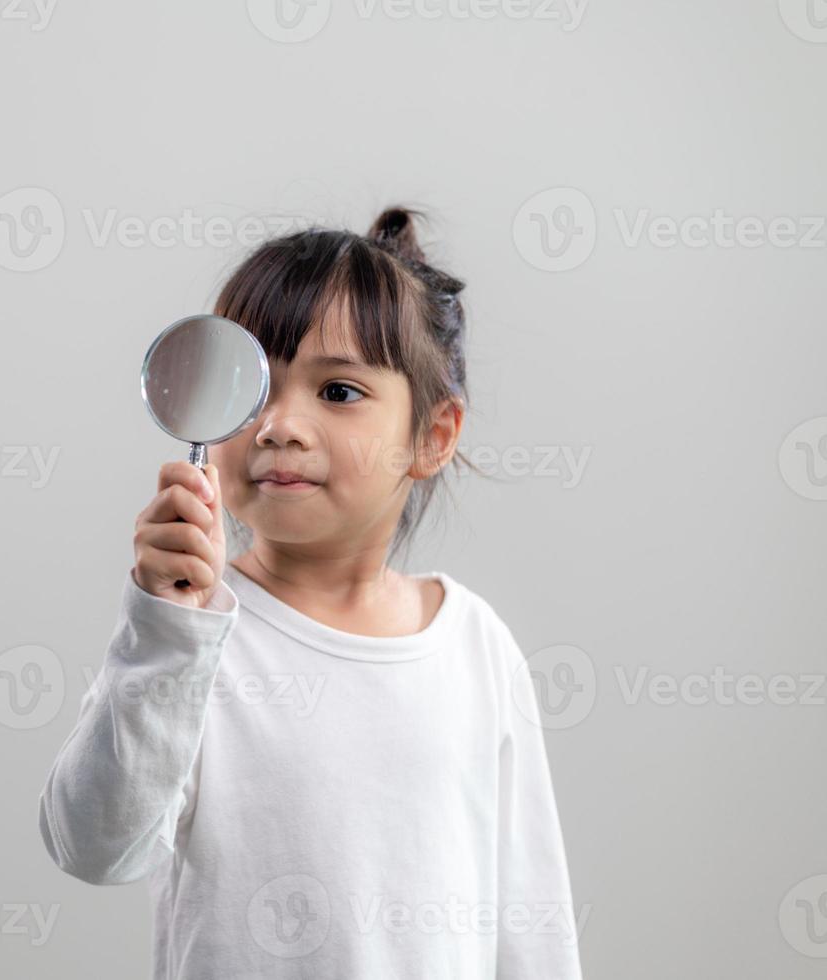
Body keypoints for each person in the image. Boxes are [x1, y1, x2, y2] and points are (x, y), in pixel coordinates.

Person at [36, 207, 585, 978]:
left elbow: (532, 921)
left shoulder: (475, 645)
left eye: (337, 390)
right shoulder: (191, 633)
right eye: (253, 388)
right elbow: (93, 844)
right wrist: (164, 634)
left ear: (433, 435)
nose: (279, 426)